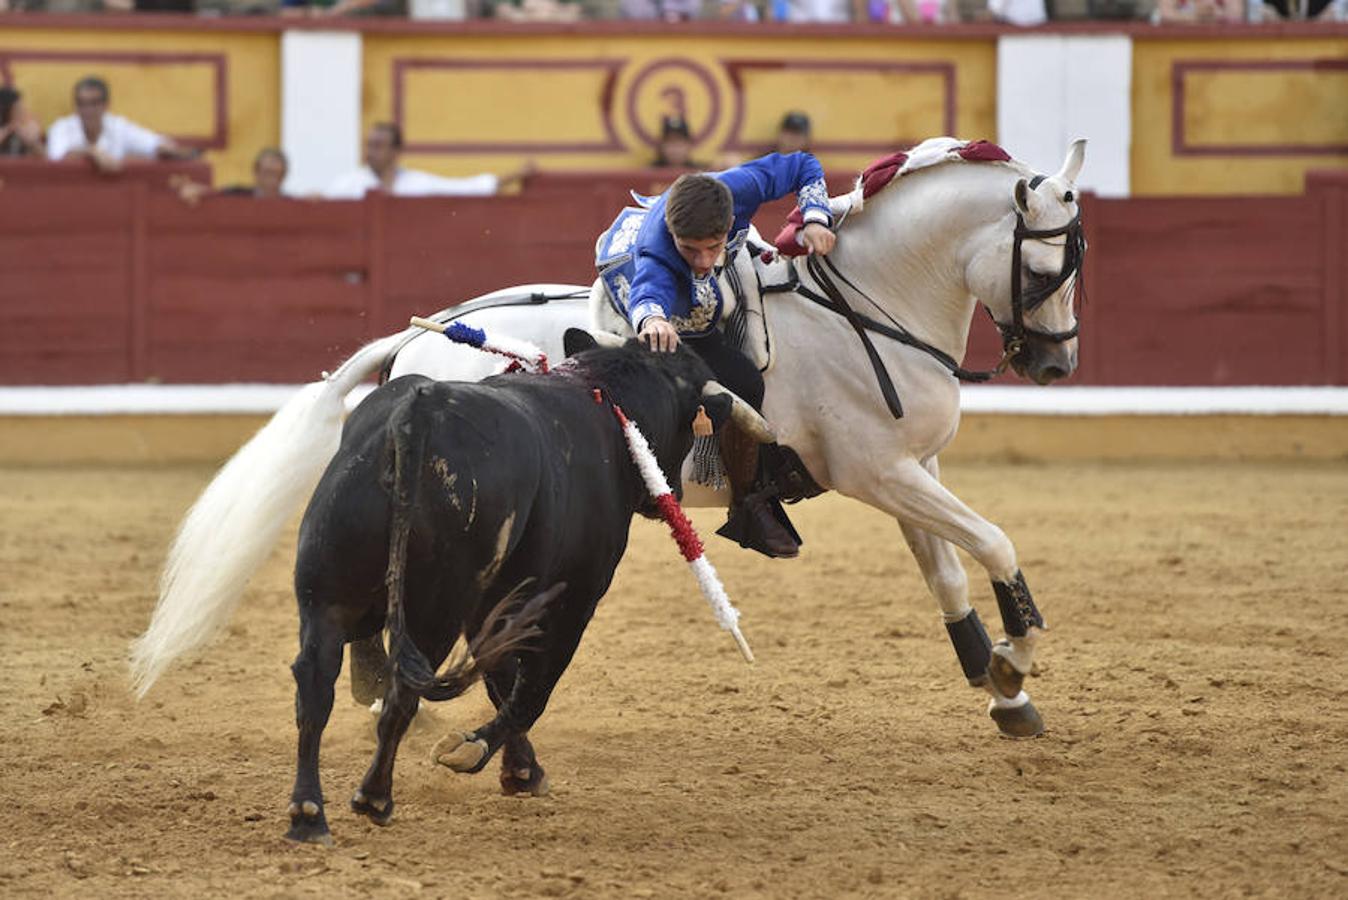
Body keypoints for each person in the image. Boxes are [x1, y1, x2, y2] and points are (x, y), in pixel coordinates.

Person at [602, 153, 836, 558]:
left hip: (724, 250)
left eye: (712, 247)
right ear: (674, 236)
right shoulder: (658, 251)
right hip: (652, 285)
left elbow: (803, 165)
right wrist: (653, 319)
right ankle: (748, 502)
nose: (703, 260)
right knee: (735, 378)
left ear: (729, 224)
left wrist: (816, 216)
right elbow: (648, 291)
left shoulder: (740, 187)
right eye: (690, 249)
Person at [324, 122, 533, 199]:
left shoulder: (417, 183)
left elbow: (463, 188)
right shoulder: (347, 186)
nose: (370, 152)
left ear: (396, 151)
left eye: (378, 145)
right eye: (369, 145)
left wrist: (512, 176)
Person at [46, 76, 196, 173]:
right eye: (82, 104)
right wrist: (92, 152)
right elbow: (57, 159)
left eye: (94, 103)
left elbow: (151, 143)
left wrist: (171, 150)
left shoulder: (117, 126)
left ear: (106, 105)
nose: (87, 110)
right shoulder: (62, 127)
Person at [171, 147, 290, 206]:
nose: (271, 180)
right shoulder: (238, 194)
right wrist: (197, 190)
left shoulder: (290, 205)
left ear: (284, 175)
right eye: (267, 172)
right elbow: (215, 194)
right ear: (256, 172)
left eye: (276, 174)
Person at [0, 86, 45, 158]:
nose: (21, 111)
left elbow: (42, 154)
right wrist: (8, 129)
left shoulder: (30, 124)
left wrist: (20, 131)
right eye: (16, 108)